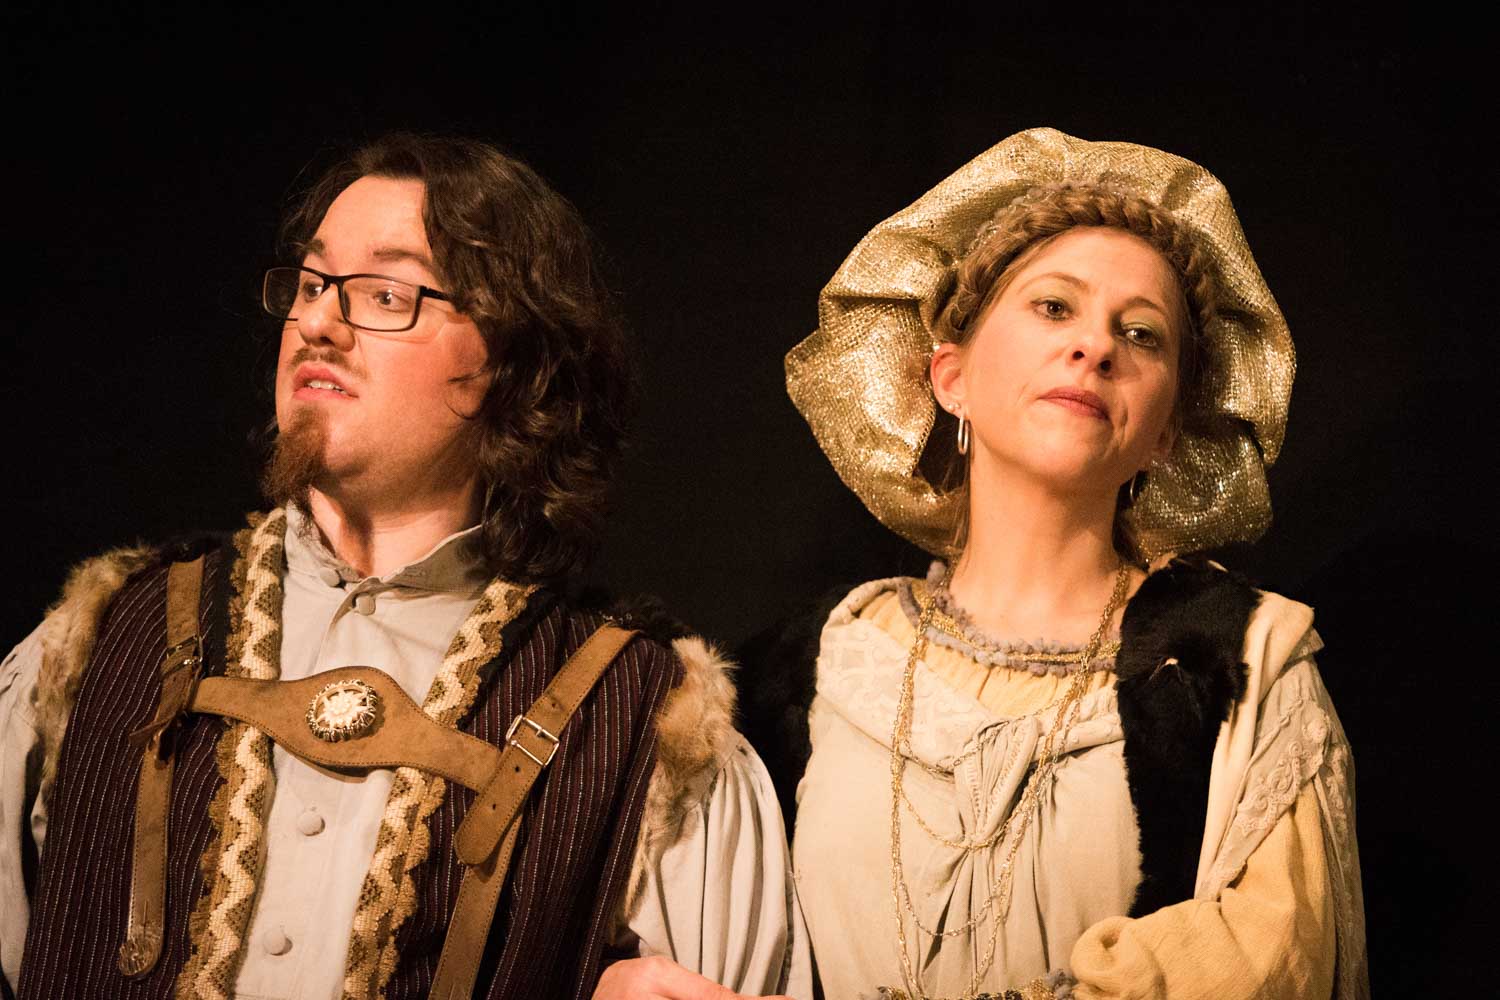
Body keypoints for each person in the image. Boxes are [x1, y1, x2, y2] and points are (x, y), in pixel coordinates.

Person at [0, 133, 809, 1000]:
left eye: (385, 293)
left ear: (515, 366)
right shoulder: (97, 641)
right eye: (310, 285)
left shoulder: (652, 728)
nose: (314, 322)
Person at [737, 128, 1367, 999]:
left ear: (1167, 430)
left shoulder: (1243, 668)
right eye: (1053, 307)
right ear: (949, 375)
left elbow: (1275, 959)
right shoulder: (808, 669)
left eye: (1141, 334)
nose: (1096, 347)